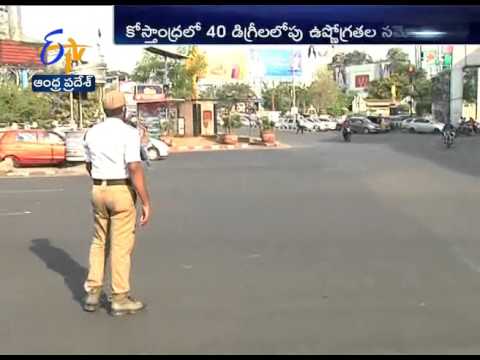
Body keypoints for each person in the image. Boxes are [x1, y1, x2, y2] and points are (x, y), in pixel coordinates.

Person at [83, 91, 151, 317]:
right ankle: (120, 298)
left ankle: (93, 291)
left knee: (99, 241)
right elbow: (134, 167)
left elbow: (89, 165)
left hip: (98, 189)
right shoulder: (129, 133)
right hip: (120, 189)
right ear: (123, 110)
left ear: (104, 110)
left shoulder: (92, 132)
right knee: (121, 246)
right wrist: (145, 201)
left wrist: (100, 180)